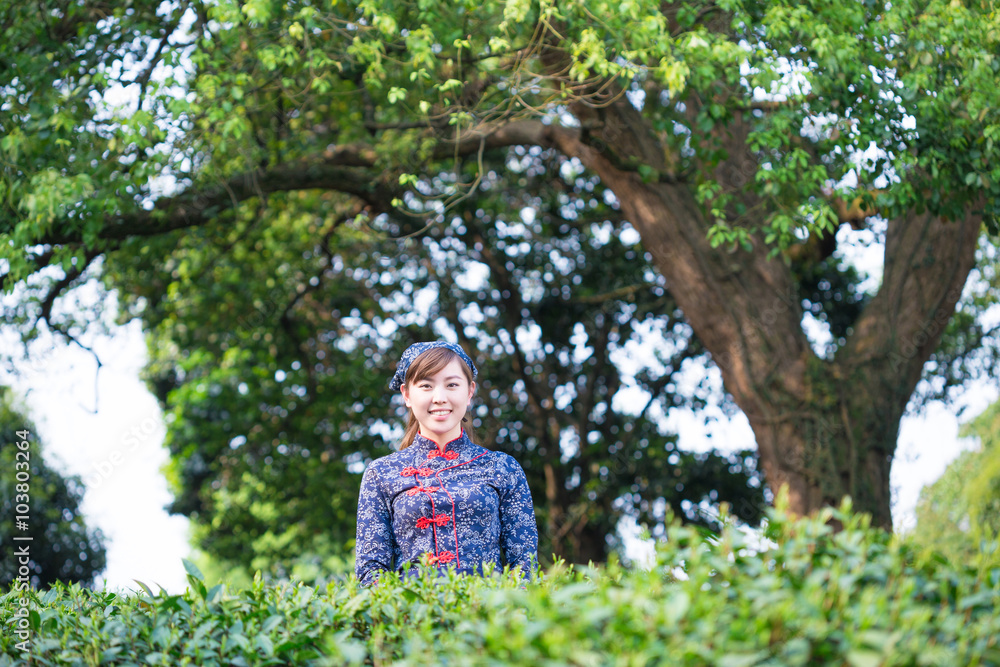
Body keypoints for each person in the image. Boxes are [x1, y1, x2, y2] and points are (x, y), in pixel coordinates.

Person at [354, 341, 538, 587]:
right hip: (413, 618)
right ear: (407, 395)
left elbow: (524, 566)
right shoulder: (381, 473)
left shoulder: (502, 468)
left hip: (488, 618)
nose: (440, 398)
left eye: (452, 385)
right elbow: (370, 571)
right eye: (426, 386)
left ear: (470, 391)